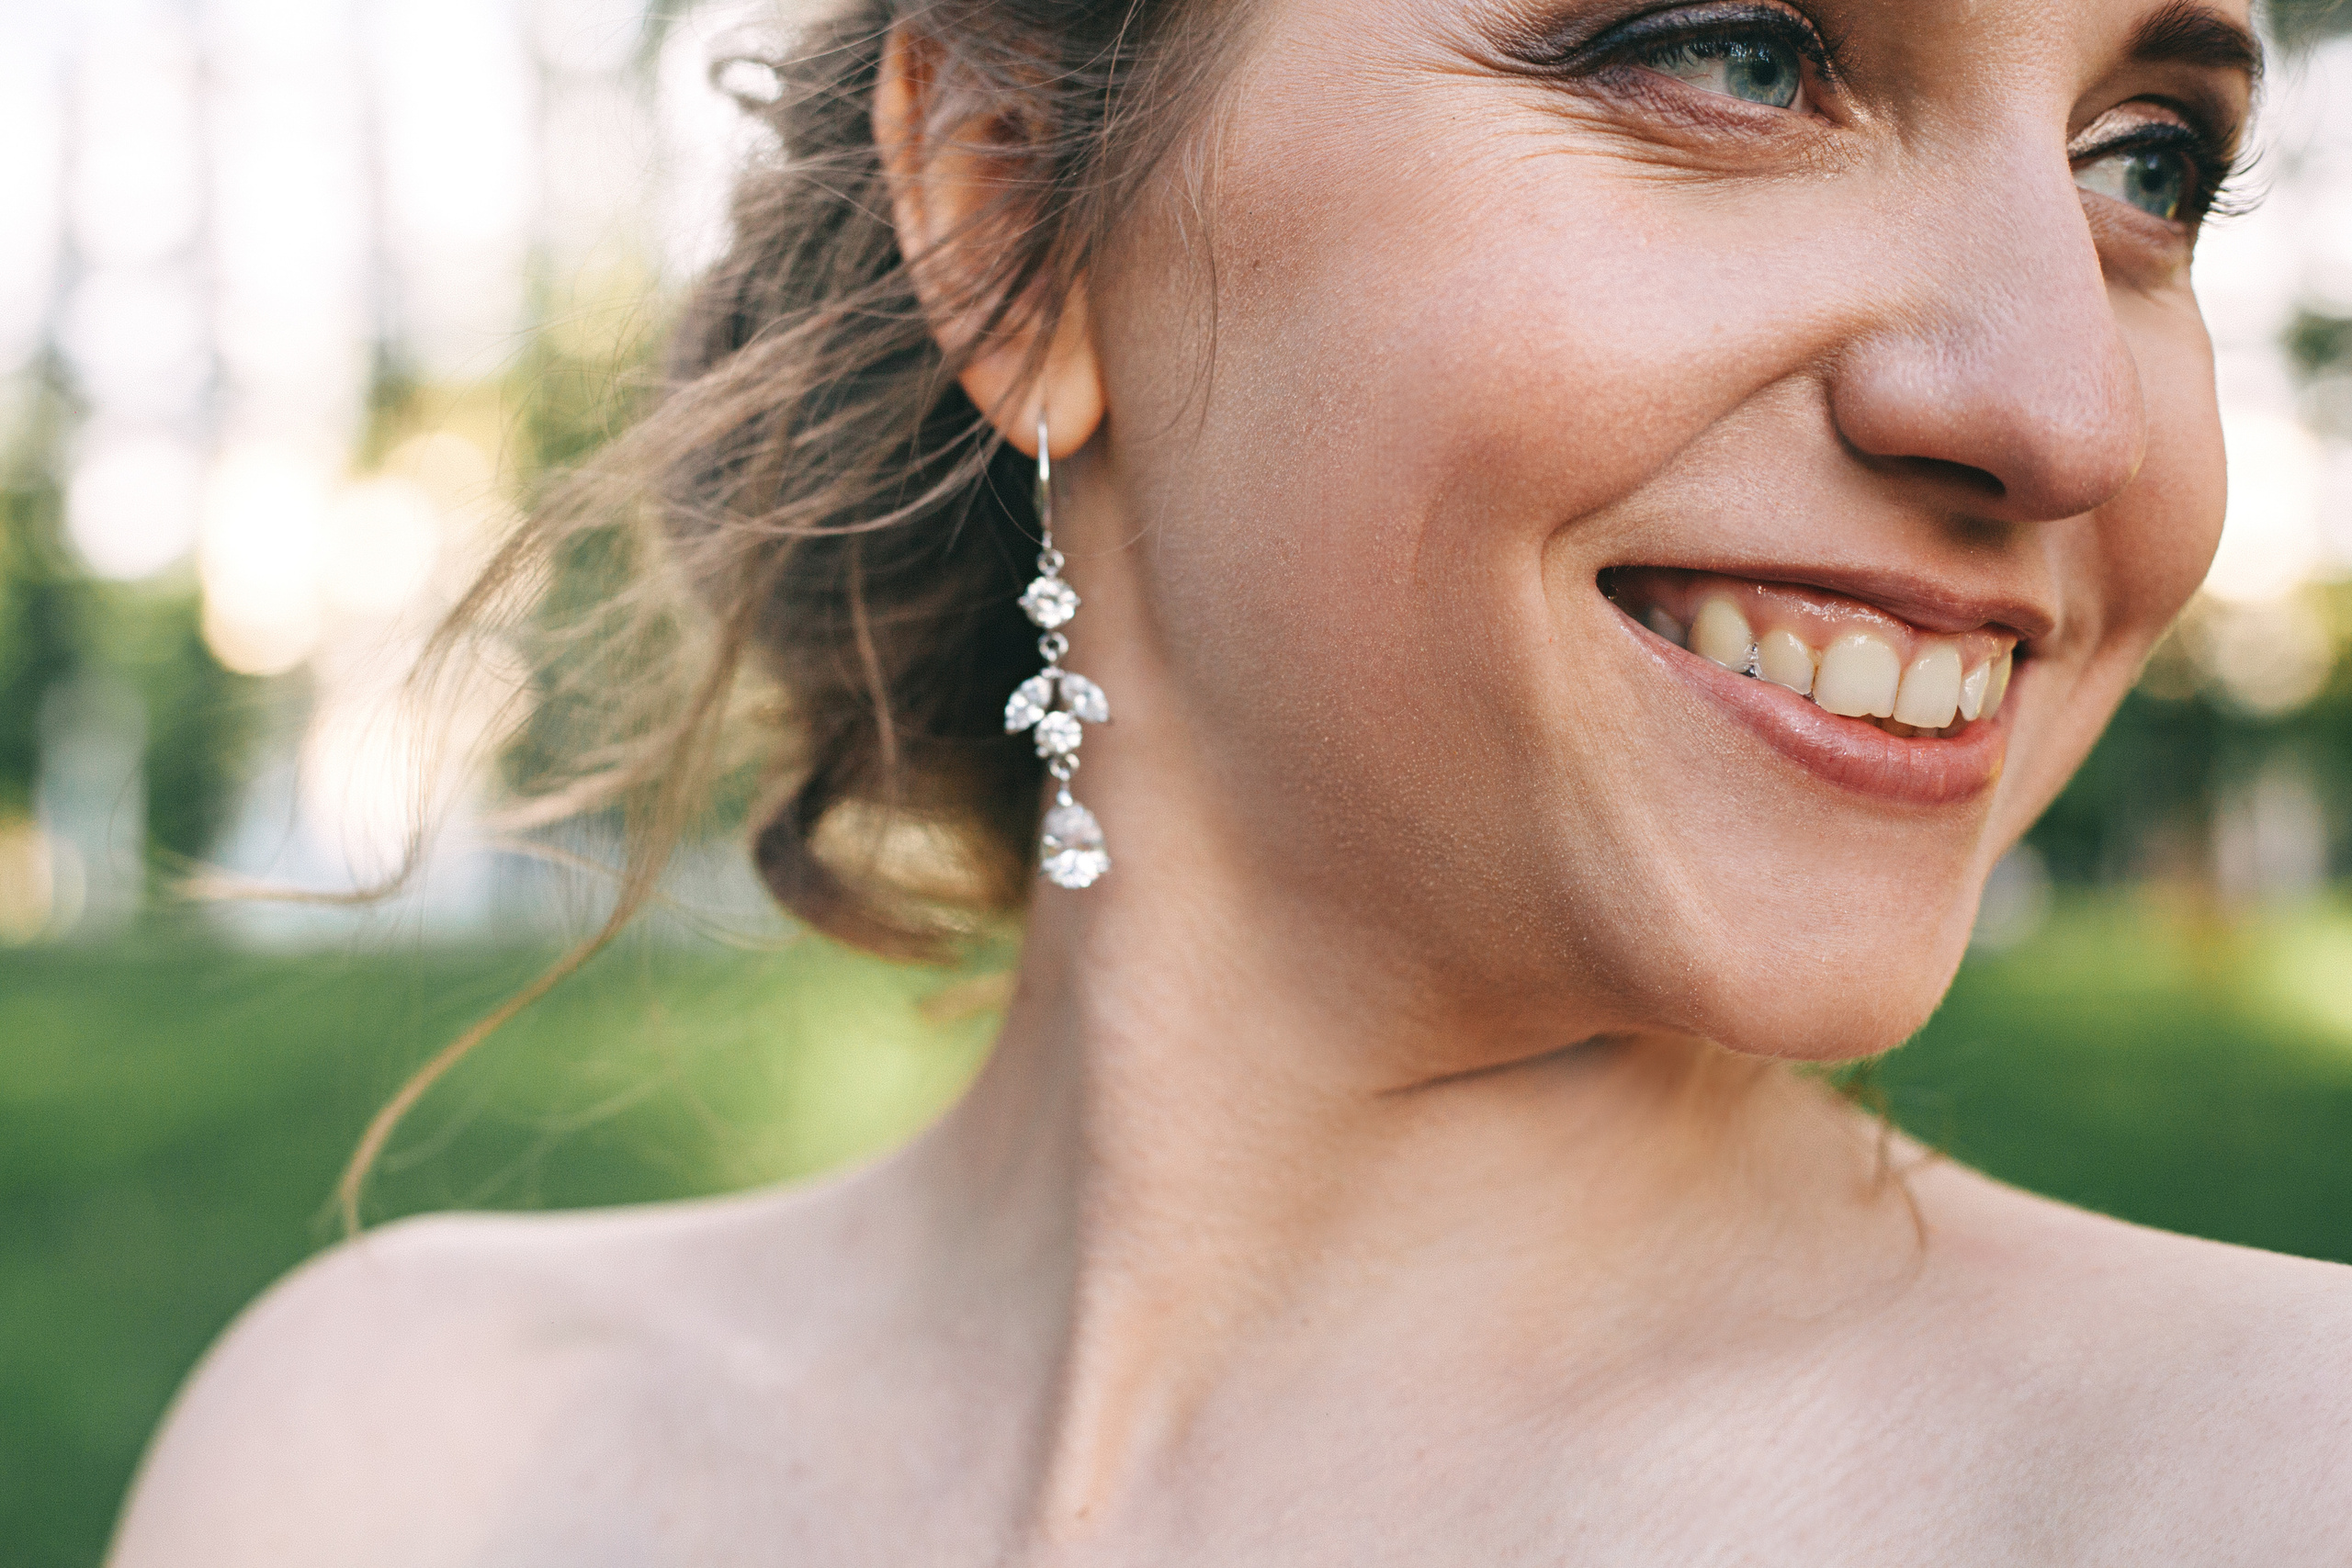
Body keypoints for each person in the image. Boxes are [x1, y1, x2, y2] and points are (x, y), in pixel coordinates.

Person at [112, 0, 2352, 1561]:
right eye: (1735, 52)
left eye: (2140, 162)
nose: (2065, 406)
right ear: (1006, 216)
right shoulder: (374, 1464)